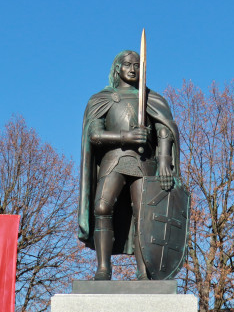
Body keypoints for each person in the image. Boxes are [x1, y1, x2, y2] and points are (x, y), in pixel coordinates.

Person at [78, 49, 184, 280]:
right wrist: (125, 137)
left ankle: (144, 271)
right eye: (127, 65)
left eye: (137, 65)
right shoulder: (101, 98)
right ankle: (103, 268)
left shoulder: (150, 98)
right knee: (102, 208)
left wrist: (165, 160)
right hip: (114, 159)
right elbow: (94, 135)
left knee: (143, 215)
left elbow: (164, 128)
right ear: (118, 68)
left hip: (144, 161)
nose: (133, 69)